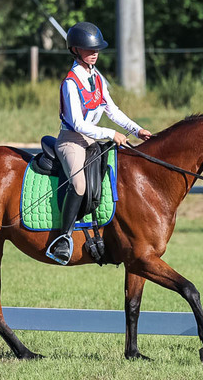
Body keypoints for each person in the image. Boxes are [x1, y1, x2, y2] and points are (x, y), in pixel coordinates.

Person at [46, 22, 152, 265]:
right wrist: (110, 133)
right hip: (72, 141)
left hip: (92, 140)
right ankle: (63, 238)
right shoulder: (71, 83)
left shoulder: (97, 77)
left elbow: (112, 110)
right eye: (88, 49)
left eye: (96, 49)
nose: (94, 53)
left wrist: (136, 129)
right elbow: (77, 123)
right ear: (75, 50)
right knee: (79, 184)